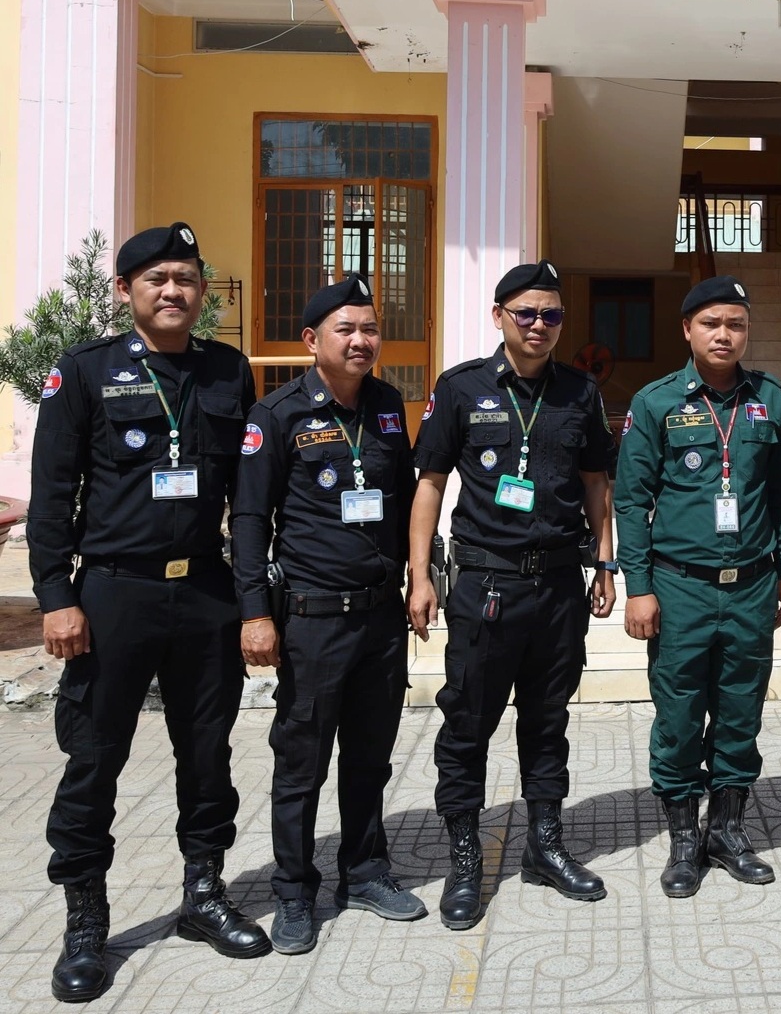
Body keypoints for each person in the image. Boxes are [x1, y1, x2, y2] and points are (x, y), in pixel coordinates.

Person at [30, 223, 270, 1002]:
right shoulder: (86, 373)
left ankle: (204, 893)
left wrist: (248, 598)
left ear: (202, 290)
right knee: (95, 758)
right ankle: (86, 922)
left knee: (207, 758)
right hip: (114, 594)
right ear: (127, 291)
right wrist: (57, 598)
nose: (174, 291)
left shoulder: (229, 372)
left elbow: (246, 498)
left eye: (186, 278)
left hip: (203, 591)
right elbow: (52, 496)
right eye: (157, 278)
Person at [408, 259, 616, 928]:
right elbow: (431, 483)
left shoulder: (579, 394)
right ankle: (465, 858)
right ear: (498, 316)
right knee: (468, 725)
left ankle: (544, 846)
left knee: (546, 722)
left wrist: (605, 565)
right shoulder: (462, 388)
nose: (537, 325)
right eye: (524, 313)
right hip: (487, 586)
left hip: (557, 584)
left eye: (550, 315)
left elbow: (595, 487)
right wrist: (420, 573)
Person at [231, 274, 425, 954]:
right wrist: (255, 613)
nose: (362, 340)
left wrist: (419, 579)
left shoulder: (387, 406)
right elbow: (250, 521)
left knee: (369, 760)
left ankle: (365, 871)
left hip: (379, 620)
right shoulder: (277, 415)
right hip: (311, 621)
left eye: (370, 327)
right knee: (302, 763)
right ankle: (292, 892)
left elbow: (400, 499)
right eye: (346, 329)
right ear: (312, 340)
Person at [614, 275, 781, 898]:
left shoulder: (769, 398)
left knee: (741, 712)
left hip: (749, 588)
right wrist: (637, 587)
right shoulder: (656, 402)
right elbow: (632, 500)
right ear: (687, 330)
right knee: (679, 716)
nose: (725, 335)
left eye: (737, 324)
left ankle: (728, 831)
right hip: (680, 588)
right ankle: (684, 842)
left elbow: (780, 495)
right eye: (712, 323)